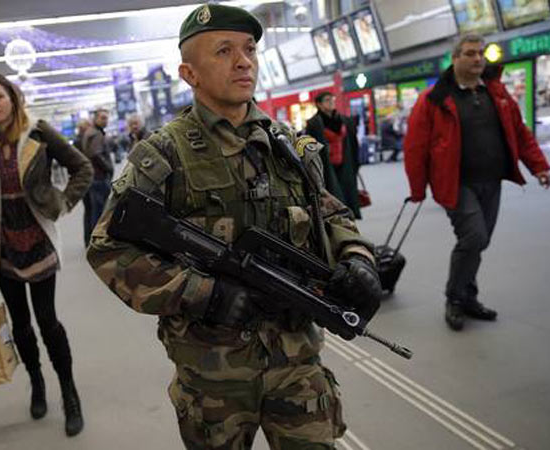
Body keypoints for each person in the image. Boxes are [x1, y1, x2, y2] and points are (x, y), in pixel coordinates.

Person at [87, 4, 382, 449]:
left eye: (248, 49)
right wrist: (203, 293)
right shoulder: (164, 155)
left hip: (297, 358)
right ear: (190, 73)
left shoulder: (288, 146)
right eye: (223, 51)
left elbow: (333, 215)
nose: (244, 60)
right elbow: (108, 249)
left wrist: (357, 259)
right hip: (212, 372)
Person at [0, 73, 93, 436]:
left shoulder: (37, 132)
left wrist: (64, 201)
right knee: (20, 324)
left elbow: (81, 166)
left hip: (37, 241)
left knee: (48, 321)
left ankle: (70, 394)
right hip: (1, 248)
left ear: (13, 98)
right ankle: (37, 384)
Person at [404, 34, 550, 331]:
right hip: (456, 183)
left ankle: (468, 297)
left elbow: (519, 132)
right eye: (470, 53)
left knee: (477, 242)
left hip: (491, 181)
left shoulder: (495, 92)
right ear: (455, 58)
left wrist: (539, 166)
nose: (477, 59)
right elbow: (415, 147)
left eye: (481, 53)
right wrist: (418, 189)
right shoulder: (434, 99)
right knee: (474, 238)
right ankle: (455, 299)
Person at [306, 92, 363, 219]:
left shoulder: (345, 121)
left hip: (345, 164)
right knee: (334, 195)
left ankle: (350, 220)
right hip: (327, 167)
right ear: (319, 104)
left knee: (347, 194)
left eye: (332, 99)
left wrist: (356, 163)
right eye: (327, 100)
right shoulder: (314, 124)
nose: (331, 102)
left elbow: (353, 143)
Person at [81, 108, 113, 245]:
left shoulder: (90, 132)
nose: (105, 121)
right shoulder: (96, 134)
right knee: (99, 212)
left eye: (106, 118)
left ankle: (89, 240)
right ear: (95, 119)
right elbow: (96, 154)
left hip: (91, 177)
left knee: (91, 210)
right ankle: (97, 242)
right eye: (102, 118)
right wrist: (108, 167)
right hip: (99, 177)